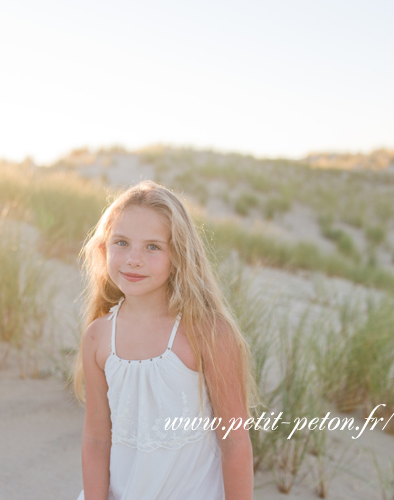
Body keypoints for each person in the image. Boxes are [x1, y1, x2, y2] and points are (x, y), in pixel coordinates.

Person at [73, 180, 256, 500]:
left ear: (179, 255)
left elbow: (235, 441)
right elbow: (97, 439)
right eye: (122, 243)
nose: (133, 259)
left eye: (153, 246)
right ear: (104, 248)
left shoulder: (207, 334)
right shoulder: (98, 337)